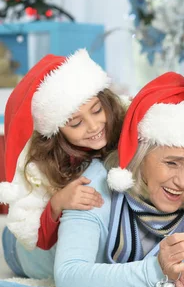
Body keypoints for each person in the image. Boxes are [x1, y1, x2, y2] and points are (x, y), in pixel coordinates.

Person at [2, 72, 184, 287]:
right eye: (171, 163)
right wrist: (156, 270)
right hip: (23, 250)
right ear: (140, 154)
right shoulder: (90, 187)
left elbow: (170, 242)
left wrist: (179, 268)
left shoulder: (176, 188)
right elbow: (69, 278)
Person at [0, 49, 126, 253]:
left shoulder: (120, 120)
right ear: (57, 131)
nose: (94, 126)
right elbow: (34, 236)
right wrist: (57, 202)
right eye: (76, 123)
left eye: (96, 110)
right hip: (21, 249)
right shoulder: (40, 165)